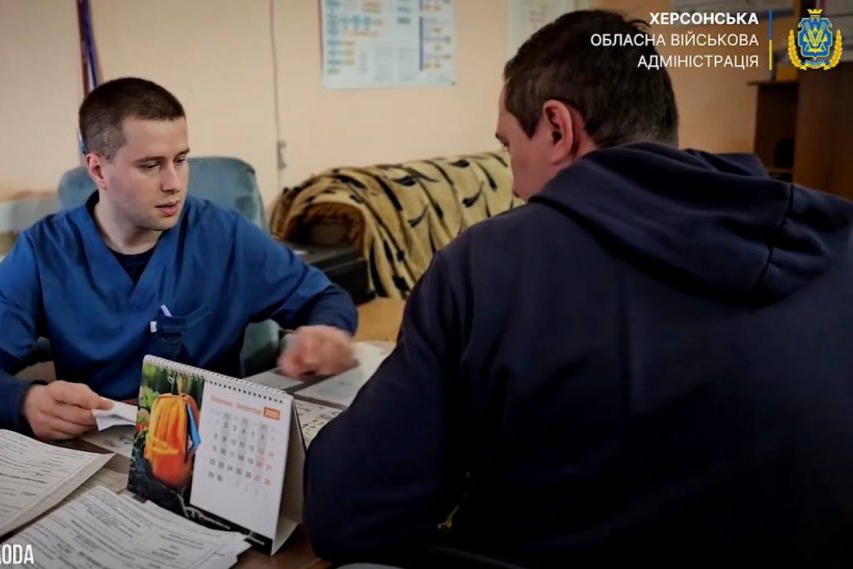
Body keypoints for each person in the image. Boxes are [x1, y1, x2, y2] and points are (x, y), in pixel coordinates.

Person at [303, 10, 853, 568]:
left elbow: (347, 512)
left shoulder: (486, 266)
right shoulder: (836, 246)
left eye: (508, 146)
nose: (515, 186)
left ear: (557, 128)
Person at [0, 77, 357, 441]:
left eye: (181, 160)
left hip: (211, 447)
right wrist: (25, 401)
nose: (174, 183)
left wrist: (327, 332)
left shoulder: (224, 235)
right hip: (100, 449)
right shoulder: (44, 252)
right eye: (151, 165)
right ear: (98, 170)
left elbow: (325, 298)